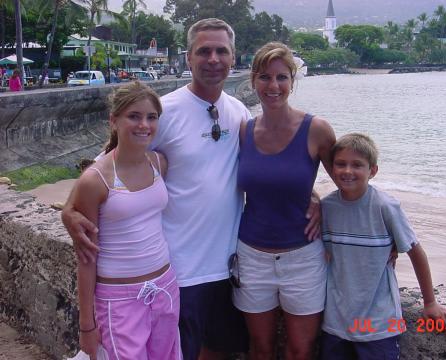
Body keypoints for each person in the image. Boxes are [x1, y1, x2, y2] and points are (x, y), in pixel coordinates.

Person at [62, 18, 321, 360]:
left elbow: (270, 170)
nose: (213, 58)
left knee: (221, 352)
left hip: (230, 267)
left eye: (221, 51)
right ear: (188, 58)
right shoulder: (162, 112)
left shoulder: (239, 113)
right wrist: (69, 210)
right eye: (204, 51)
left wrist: (314, 196)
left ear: (233, 58)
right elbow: (106, 167)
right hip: (178, 271)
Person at [232, 42, 336, 360]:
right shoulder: (244, 131)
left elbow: (350, 184)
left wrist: (322, 203)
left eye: (281, 78)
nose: (273, 86)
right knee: (260, 349)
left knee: (299, 350)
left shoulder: (316, 130)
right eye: (264, 77)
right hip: (251, 258)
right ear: (253, 81)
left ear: (293, 81)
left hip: (303, 258)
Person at [320, 133, 446, 360]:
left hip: (379, 322)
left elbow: (415, 252)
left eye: (357, 165)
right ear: (331, 167)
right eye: (340, 164)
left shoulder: (385, 207)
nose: (347, 171)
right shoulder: (327, 207)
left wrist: (430, 302)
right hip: (336, 320)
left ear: (372, 171)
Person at [71, 81, 181, 360]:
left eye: (151, 117)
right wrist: (87, 326)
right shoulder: (96, 180)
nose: (144, 124)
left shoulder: (158, 164)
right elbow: (86, 257)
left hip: (165, 287)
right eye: (134, 116)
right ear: (114, 120)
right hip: (118, 299)